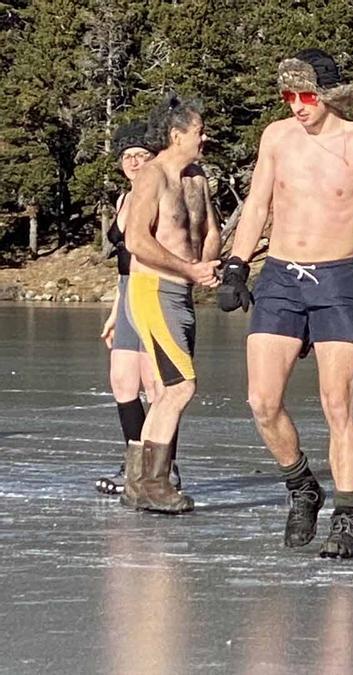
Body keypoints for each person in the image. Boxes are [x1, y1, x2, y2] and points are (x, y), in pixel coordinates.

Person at [218, 49, 353, 559]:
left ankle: (346, 518)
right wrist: (236, 265)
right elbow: (258, 202)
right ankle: (302, 484)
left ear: (328, 96)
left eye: (306, 96)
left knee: (337, 404)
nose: (297, 106)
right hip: (281, 276)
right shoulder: (277, 137)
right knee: (262, 401)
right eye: (288, 97)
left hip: (338, 280)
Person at [121, 94, 222, 513]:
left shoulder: (197, 178)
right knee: (181, 387)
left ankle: (137, 482)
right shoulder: (152, 176)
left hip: (182, 293)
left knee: (168, 388)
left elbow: (209, 228)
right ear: (177, 134)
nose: (205, 137)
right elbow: (136, 240)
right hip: (153, 292)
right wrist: (186, 268)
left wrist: (209, 264)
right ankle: (155, 483)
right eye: (199, 131)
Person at [95, 122, 160, 495]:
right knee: (122, 380)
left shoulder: (159, 195)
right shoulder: (123, 200)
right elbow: (124, 260)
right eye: (128, 157)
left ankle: (161, 466)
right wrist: (114, 309)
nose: (134, 163)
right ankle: (134, 463)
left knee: (156, 384)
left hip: (154, 289)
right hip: (127, 290)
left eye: (141, 156)